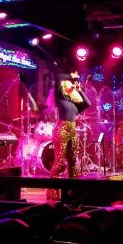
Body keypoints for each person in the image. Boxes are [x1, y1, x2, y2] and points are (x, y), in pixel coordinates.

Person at [47, 71, 91, 200]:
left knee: (73, 161)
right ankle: (52, 192)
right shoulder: (59, 98)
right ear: (63, 87)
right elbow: (58, 77)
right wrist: (72, 76)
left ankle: (73, 191)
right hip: (61, 130)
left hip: (72, 131)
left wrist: (79, 90)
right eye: (67, 84)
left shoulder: (74, 103)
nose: (70, 86)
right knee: (60, 162)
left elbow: (88, 103)